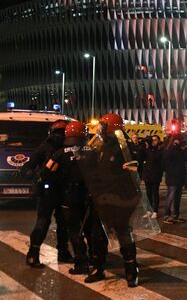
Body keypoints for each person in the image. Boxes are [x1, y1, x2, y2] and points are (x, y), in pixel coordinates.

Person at [80, 113, 140, 287]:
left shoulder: (126, 148)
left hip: (119, 198)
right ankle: (98, 267)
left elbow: (134, 172)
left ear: (112, 128)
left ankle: (131, 268)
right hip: (100, 197)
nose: (100, 130)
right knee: (97, 235)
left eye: (103, 127)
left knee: (123, 234)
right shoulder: (99, 146)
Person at [40, 121, 94, 275]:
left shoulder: (60, 153)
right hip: (90, 197)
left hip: (69, 197)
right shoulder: (93, 151)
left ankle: (81, 262)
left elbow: (46, 172)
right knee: (90, 229)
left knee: (74, 230)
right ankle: (96, 258)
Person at [23, 119, 73, 267]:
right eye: (58, 133)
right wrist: (31, 174)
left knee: (64, 224)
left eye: (63, 133)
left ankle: (63, 252)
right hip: (48, 190)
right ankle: (33, 254)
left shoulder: (71, 146)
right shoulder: (45, 147)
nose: (60, 136)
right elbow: (29, 165)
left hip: (65, 190)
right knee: (43, 222)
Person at [162, 134, 187, 224]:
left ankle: (176, 215)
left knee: (177, 198)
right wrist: (175, 146)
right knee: (171, 197)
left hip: (180, 177)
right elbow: (165, 160)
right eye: (180, 140)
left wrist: (185, 148)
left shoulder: (181, 150)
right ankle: (167, 215)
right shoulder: (170, 149)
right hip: (172, 177)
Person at [142, 135, 164, 218]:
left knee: (155, 193)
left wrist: (150, 149)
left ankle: (155, 211)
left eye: (155, 140)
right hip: (147, 175)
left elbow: (155, 158)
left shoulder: (160, 150)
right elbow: (141, 156)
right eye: (152, 140)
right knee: (148, 194)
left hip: (155, 175)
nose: (153, 141)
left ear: (158, 141)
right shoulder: (147, 149)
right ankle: (148, 210)